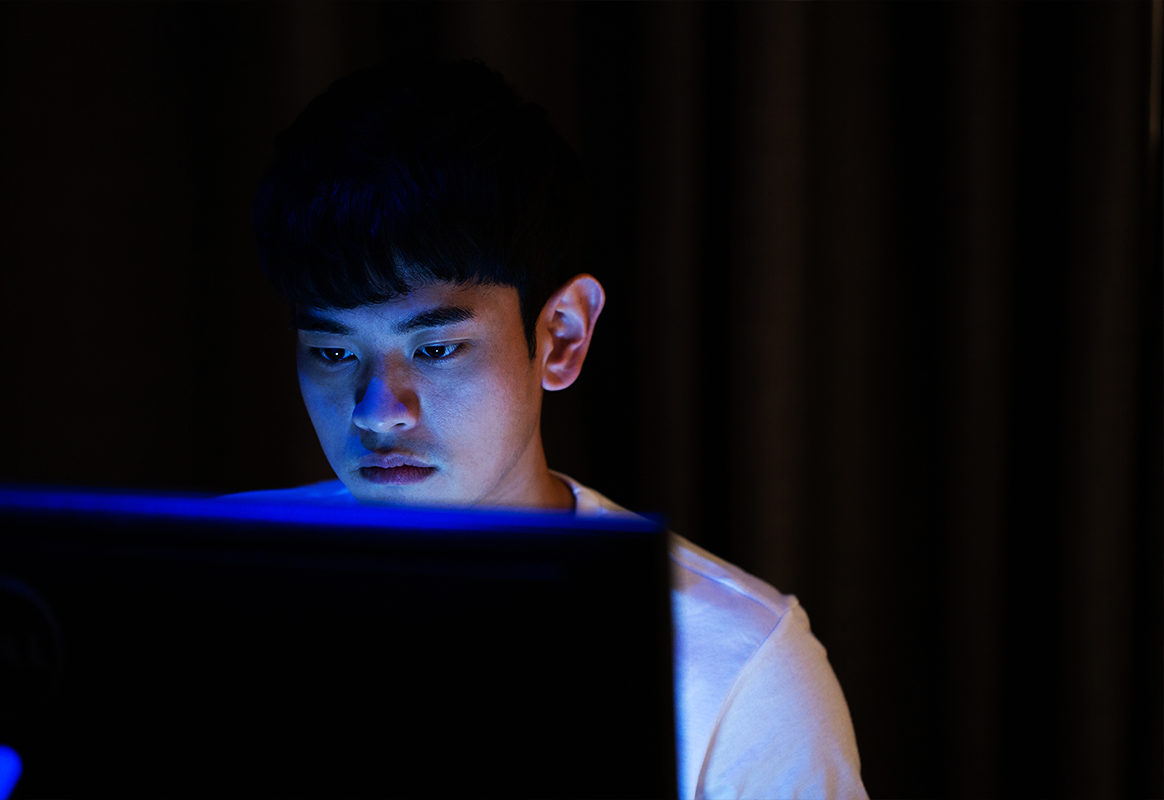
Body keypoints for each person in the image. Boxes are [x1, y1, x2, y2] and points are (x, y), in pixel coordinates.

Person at [239, 58, 867, 799]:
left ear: (562, 336)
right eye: (333, 352)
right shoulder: (204, 589)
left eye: (436, 349)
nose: (377, 409)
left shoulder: (731, 662)